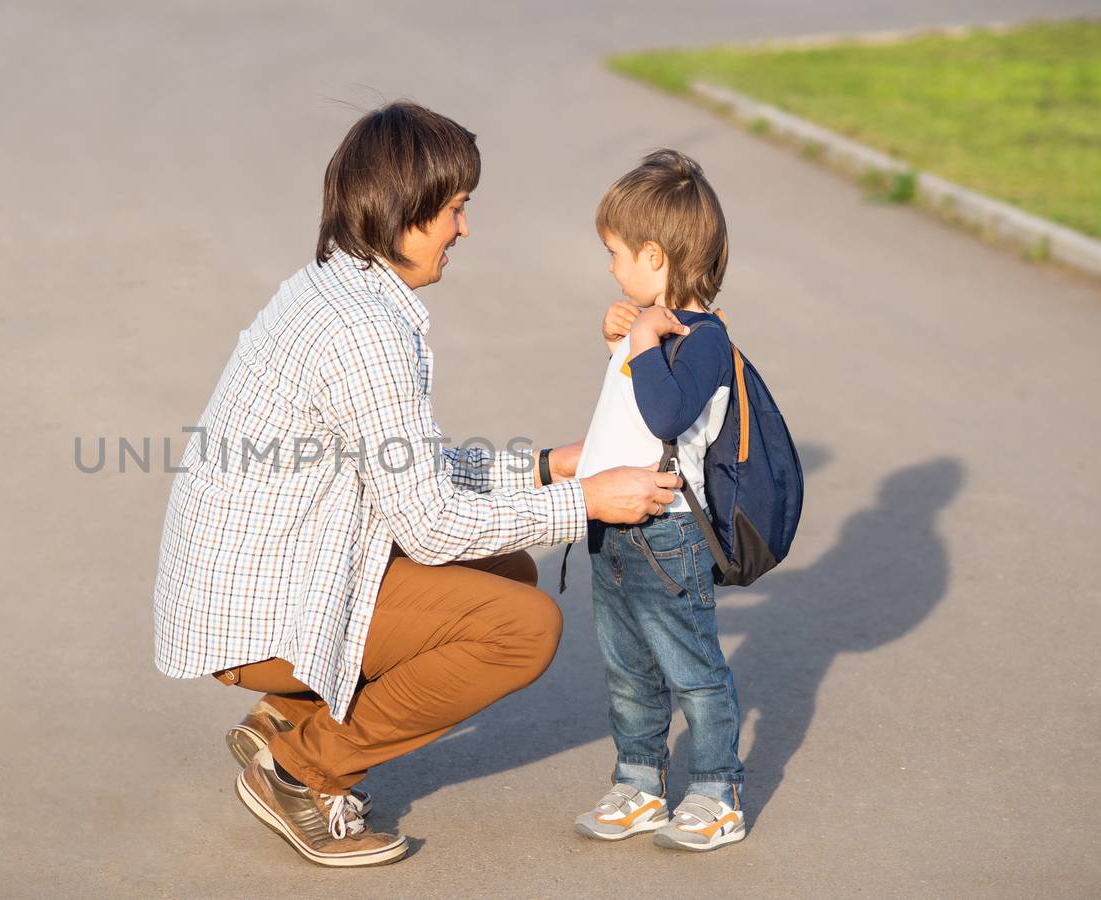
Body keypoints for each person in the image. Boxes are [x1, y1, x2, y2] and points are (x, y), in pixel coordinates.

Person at [151, 102, 682, 868]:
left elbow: (404, 471)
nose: (463, 230)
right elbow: (431, 524)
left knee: (505, 569)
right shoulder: (366, 333)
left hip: (259, 578)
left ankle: (288, 715)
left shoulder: (332, 287)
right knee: (521, 628)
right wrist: (588, 503)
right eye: (455, 210)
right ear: (404, 214)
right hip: (260, 613)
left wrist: (547, 467)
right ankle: (304, 771)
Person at [568, 149, 747, 851]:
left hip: (669, 537)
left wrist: (641, 343)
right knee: (627, 673)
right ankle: (639, 783)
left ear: (653, 256)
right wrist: (620, 341)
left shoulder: (705, 340)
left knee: (694, 674)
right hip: (614, 533)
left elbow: (668, 417)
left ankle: (716, 791)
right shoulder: (654, 328)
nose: (610, 267)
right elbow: (630, 413)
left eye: (615, 253)